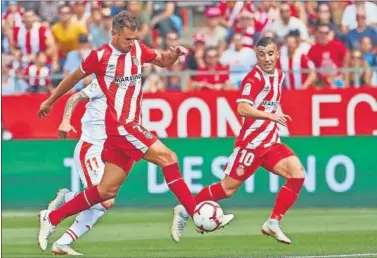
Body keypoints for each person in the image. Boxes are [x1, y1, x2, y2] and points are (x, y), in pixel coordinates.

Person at [37, 11, 234, 251]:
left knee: (105, 192)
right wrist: (50, 101)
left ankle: (53, 218)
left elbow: (162, 60)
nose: (131, 44)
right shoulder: (100, 57)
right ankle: (193, 211)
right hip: (122, 127)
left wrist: (174, 54)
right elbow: (72, 78)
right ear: (114, 34)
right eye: (127, 39)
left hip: (124, 130)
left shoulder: (138, 50)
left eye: (134, 39)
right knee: (169, 158)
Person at [171, 37, 305, 245]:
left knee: (297, 174)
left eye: (271, 53)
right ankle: (186, 209)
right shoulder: (254, 78)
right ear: (256, 55)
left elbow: (273, 102)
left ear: (278, 54)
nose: (267, 59)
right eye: (262, 54)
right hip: (251, 144)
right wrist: (270, 116)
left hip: (271, 141)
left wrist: (278, 112)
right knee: (227, 189)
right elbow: (243, 108)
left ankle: (273, 222)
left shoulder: (279, 75)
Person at [47, 80, 111, 255]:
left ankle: (63, 242)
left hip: (107, 150)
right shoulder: (105, 81)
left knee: (102, 205)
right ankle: (63, 202)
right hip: (90, 148)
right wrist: (66, 121)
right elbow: (75, 97)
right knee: (104, 199)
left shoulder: (130, 88)